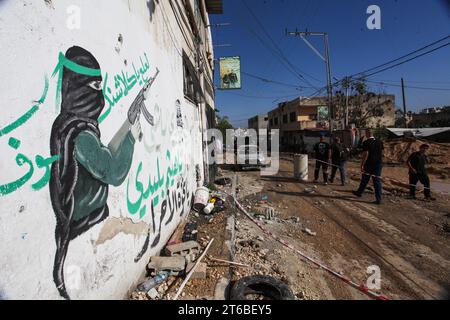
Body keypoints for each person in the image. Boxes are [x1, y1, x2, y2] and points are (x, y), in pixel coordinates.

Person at [352, 129, 384, 205]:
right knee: (376, 181)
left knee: (365, 179)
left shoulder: (366, 142)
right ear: (373, 133)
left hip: (369, 164)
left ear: (367, 134)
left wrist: (362, 164)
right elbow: (382, 153)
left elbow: (365, 154)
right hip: (378, 164)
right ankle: (378, 199)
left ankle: (359, 192)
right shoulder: (380, 141)